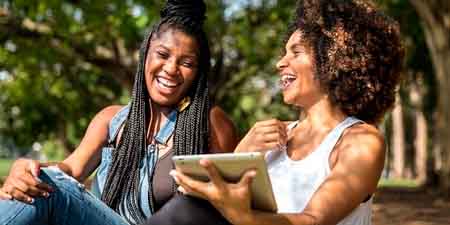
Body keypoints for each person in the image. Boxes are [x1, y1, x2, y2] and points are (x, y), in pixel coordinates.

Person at [147, 0, 404, 225]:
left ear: (335, 60)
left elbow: (314, 220)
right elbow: (222, 201)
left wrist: (243, 217)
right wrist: (244, 150)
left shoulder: (361, 141)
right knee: (187, 207)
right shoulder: (270, 134)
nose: (281, 63)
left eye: (296, 52)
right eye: (284, 52)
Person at [0, 0, 238, 225]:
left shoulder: (211, 123)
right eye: (163, 55)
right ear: (145, 55)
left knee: (52, 187)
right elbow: (71, 169)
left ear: (198, 72)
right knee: (37, 182)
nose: (171, 69)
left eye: (186, 63)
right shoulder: (112, 120)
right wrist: (28, 170)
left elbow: (227, 206)